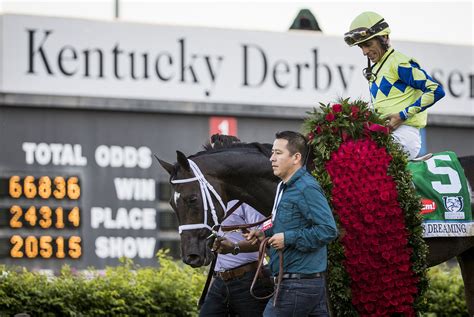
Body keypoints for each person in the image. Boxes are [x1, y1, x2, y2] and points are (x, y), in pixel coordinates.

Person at [245, 131, 338, 317]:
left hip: (299, 285)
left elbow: (328, 230)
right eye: (272, 152)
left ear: (296, 158)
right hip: (301, 283)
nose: (271, 158)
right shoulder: (283, 186)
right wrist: (262, 232)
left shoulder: (306, 187)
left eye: (278, 153)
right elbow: (279, 222)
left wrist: (288, 238)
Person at [344, 11, 445, 160]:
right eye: (361, 47)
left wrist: (402, 115)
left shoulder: (398, 63)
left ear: (384, 38)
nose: (365, 51)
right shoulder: (378, 67)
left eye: (368, 44)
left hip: (405, 135)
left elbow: (436, 90)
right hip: (387, 134)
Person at [199, 134, 272, 317]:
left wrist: (234, 248)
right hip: (219, 280)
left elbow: (263, 237)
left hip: (248, 280)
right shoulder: (214, 199)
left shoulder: (247, 199)